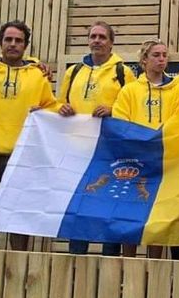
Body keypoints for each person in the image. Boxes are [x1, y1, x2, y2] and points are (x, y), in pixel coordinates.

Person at [0, 21, 60, 250]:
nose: (13, 44)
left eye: (18, 40)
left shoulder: (38, 75)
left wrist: (56, 111)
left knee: (19, 219)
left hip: (22, 157)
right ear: (0, 42)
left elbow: (50, 105)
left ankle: (18, 271)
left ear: (26, 45)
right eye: (8, 39)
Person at [58, 21, 136, 256]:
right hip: (78, 149)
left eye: (102, 37)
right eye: (93, 36)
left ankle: (109, 261)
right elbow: (60, 103)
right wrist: (62, 109)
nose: (97, 41)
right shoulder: (74, 71)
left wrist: (113, 110)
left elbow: (132, 107)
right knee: (79, 205)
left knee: (108, 204)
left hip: (110, 151)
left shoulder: (123, 72)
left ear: (111, 42)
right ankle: (75, 258)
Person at [112, 38, 179, 258]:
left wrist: (159, 139)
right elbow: (120, 121)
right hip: (135, 160)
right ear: (144, 60)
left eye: (164, 55)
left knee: (158, 216)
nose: (162, 59)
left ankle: (154, 268)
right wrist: (139, 142)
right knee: (129, 215)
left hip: (164, 160)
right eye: (156, 55)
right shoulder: (130, 90)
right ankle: (128, 264)